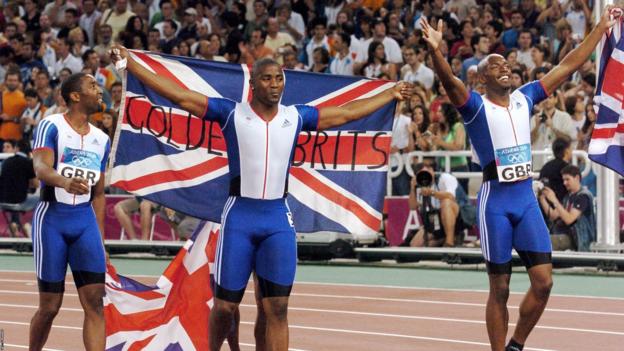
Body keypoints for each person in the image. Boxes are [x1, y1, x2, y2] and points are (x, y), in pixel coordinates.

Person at [111, 45, 411, 351]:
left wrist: (389, 94)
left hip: (277, 219)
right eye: (267, 79)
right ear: (253, 85)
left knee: (277, 307)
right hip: (240, 217)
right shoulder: (231, 113)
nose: (275, 85)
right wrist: (132, 66)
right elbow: (181, 96)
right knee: (226, 307)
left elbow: (345, 113)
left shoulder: (295, 117)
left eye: (279, 78)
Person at [421, 7, 618, 351]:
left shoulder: (526, 97)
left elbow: (568, 65)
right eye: (495, 65)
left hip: (525, 201)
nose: (505, 67)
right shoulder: (475, 107)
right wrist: (437, 51)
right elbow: (451, 83)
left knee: (543, 283)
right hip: (495, 202)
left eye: (507, 63)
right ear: (481, 79)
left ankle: (516, 345)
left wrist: (600, 28)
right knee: (500, 288)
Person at [29, 72, 110, 350]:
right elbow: (40, 167)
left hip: (84, 222)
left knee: (96, 302)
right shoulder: (50, 125)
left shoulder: (102, 139)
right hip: (52, 220)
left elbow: (98, 194)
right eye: (92, 86)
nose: (99, 91)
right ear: (75, 96)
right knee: (50, 307)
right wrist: (64, 181)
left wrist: (99, 239)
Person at [538, 165, 595, 252]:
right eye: (563, 180)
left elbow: (569, 219)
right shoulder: (568, 197)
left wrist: (554, 200)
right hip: (564, 235)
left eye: (567, 179)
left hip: (577, 240)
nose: (564, 183)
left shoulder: (583, 196)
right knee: (540, 239)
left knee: (544, 242)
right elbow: (553, 215)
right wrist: (542, 198)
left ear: (577, 178)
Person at [407, 162, 464, 247]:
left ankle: (449, 242)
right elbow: (412, 207)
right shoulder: (420, 186)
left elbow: (451, 196)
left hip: (457, 217)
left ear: (432, 170)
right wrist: (412, 188)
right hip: (435, 223)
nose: (425, 176)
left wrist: (432, 193)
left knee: (446, 202)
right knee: (415, 245)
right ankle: (442, 240)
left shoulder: (445, 177)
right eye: (421, 175)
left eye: (426, 173)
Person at [0, 140, 37, 237]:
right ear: (29, 153)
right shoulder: (29, 163)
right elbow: (36, 184)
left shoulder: (5, 162)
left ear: (16, 149)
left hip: (3, 201)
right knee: (42, 200)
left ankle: (14, 223)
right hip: (20, 201)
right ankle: (29, 224)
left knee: (15, 195)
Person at [539, 137, 572, 202]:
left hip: (544, 205)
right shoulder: (567, 168)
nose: (572, 151)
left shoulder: (545, 166)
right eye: (571, 149)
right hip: (560, 206)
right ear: (567, 151)